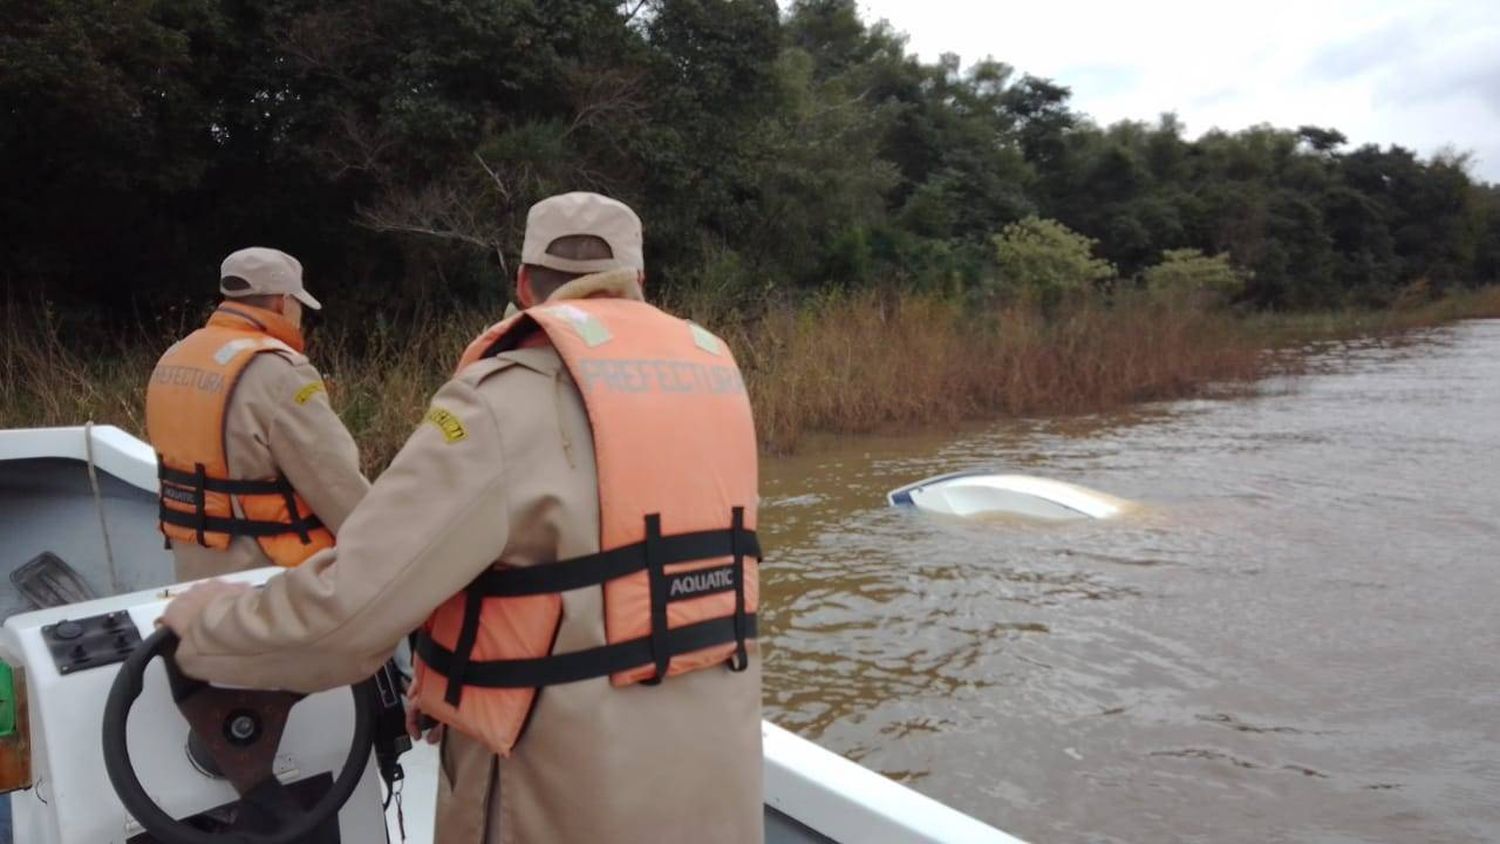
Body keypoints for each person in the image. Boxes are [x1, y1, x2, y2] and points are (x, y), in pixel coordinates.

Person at [162, 193, 764, 843]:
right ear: (639, 282)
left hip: (567, 798)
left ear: (525, 283)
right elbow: (639, 583)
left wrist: (206, 628)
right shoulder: (715, 376)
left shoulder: (505, 397)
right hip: (714, 784)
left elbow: (347, 616)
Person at [145, 247, 370, 581]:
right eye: (298, 305)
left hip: (194, 577)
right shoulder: (280, 371)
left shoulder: (175, 355)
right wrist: (393, 546)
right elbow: (337, 484)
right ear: (283, 302)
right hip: (269, 580)